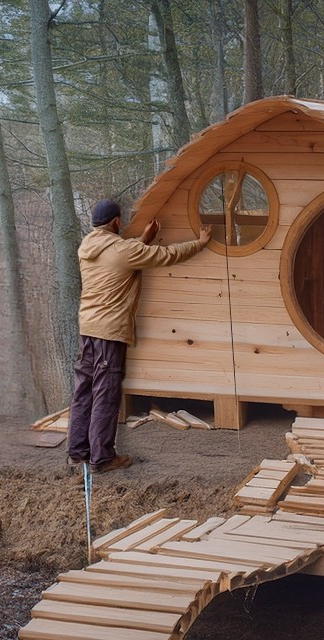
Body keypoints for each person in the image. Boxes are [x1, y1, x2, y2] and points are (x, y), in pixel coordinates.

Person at [68, 199, 213, 473]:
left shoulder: (87, 246)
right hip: (110, 332)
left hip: (88, 328)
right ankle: (102, 458)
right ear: (116, 222)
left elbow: (122, 254)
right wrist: (200, 243)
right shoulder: (124, 250)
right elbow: (167, 255)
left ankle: (78, 452)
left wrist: (143, 239)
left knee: (84, 390)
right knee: (105, 394)